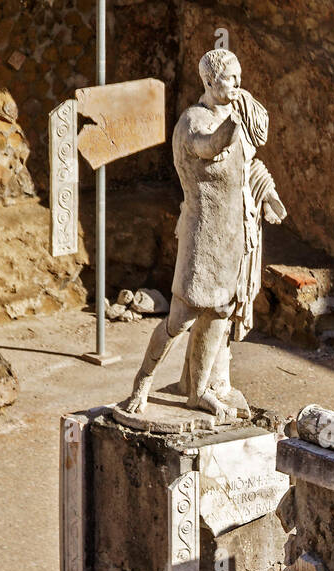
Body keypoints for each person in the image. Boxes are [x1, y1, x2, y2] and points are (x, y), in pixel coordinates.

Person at [121, 48, 286, 423]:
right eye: (231, 78)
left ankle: (198, 393)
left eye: (240, 78)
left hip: (234, 236)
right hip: (203, 232)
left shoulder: (235, 117)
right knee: (181, 316)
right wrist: (234, 125)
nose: (238, 85)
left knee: (220, 314)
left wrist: (269, 194)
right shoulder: (192, 121)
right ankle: (142, 381)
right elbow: (207, 148)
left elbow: (249, 167)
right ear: (210, 81)